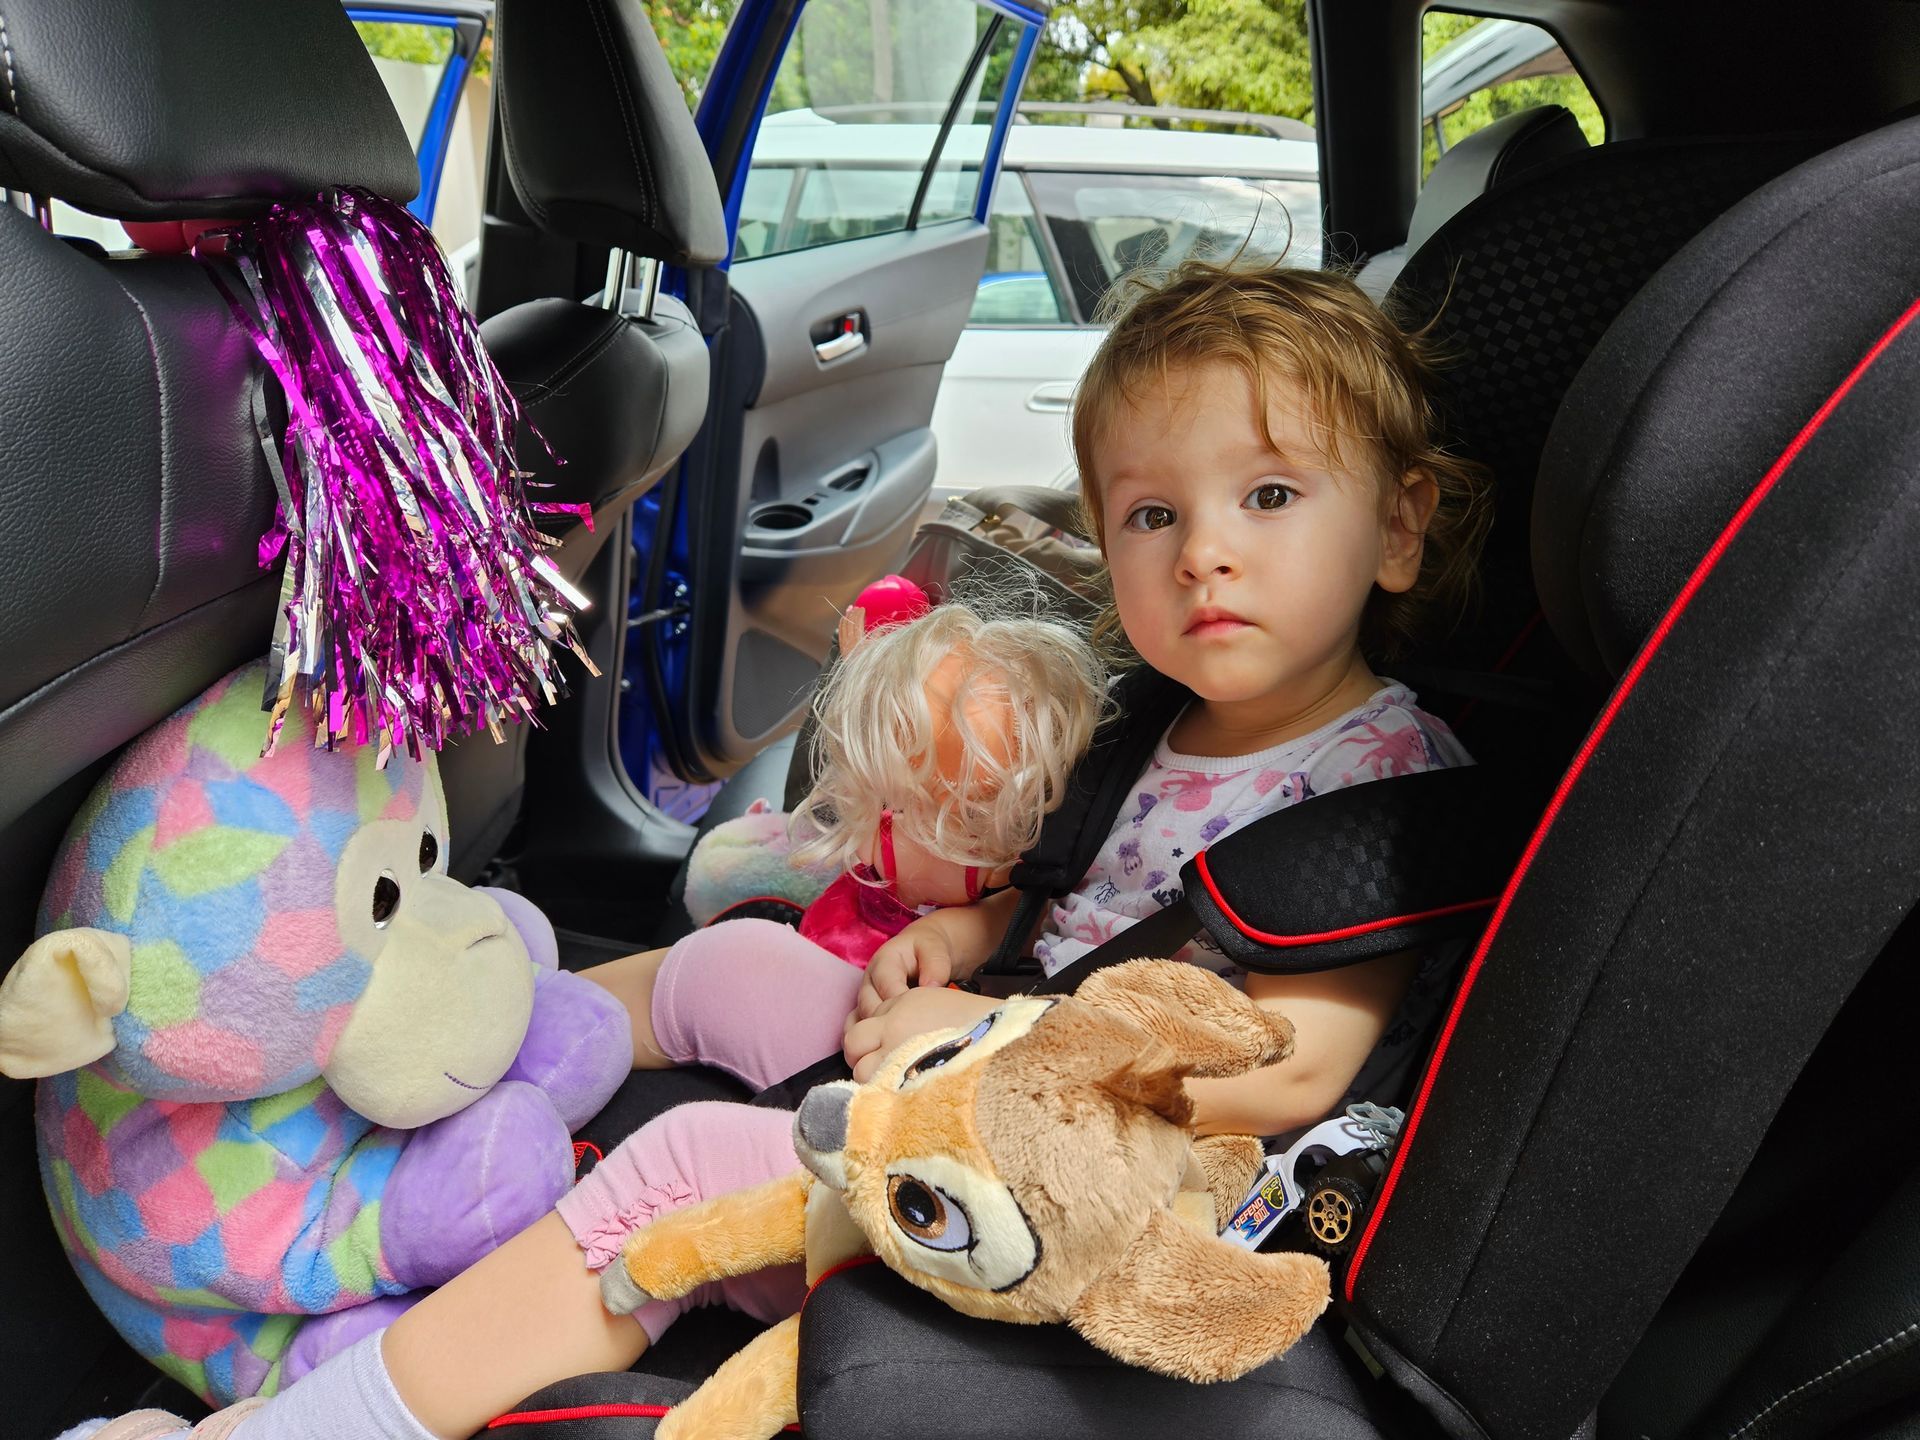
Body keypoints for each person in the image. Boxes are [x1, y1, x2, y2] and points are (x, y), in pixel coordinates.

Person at [76, 257, 1489, 1440]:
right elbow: (1081, 910)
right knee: (738, 961)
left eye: (1272, 498)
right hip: (1001, 1061)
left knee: (686, 1168)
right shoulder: (1165, 729)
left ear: (1403, 531)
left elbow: (1287, 1069)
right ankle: (453, 1069)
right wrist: (970, 941)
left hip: (1107, 1194)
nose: (1205, 557)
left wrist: (983, 1049)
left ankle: (305, 1431)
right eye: (1154, 514)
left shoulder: (1385, 783)